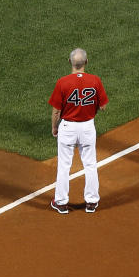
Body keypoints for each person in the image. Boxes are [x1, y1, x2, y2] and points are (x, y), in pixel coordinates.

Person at [48, 48, 108, 214]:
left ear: (70, 62)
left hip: (67, 128)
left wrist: (54, 127)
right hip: (88, 127)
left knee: (64, 166)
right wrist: (91, 110)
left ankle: (61, 203)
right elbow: (103, 106)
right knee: (90, 164)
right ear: (86, 62)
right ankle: (91, 202)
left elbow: (56, 111)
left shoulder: (63, 82)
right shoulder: (95, 80)